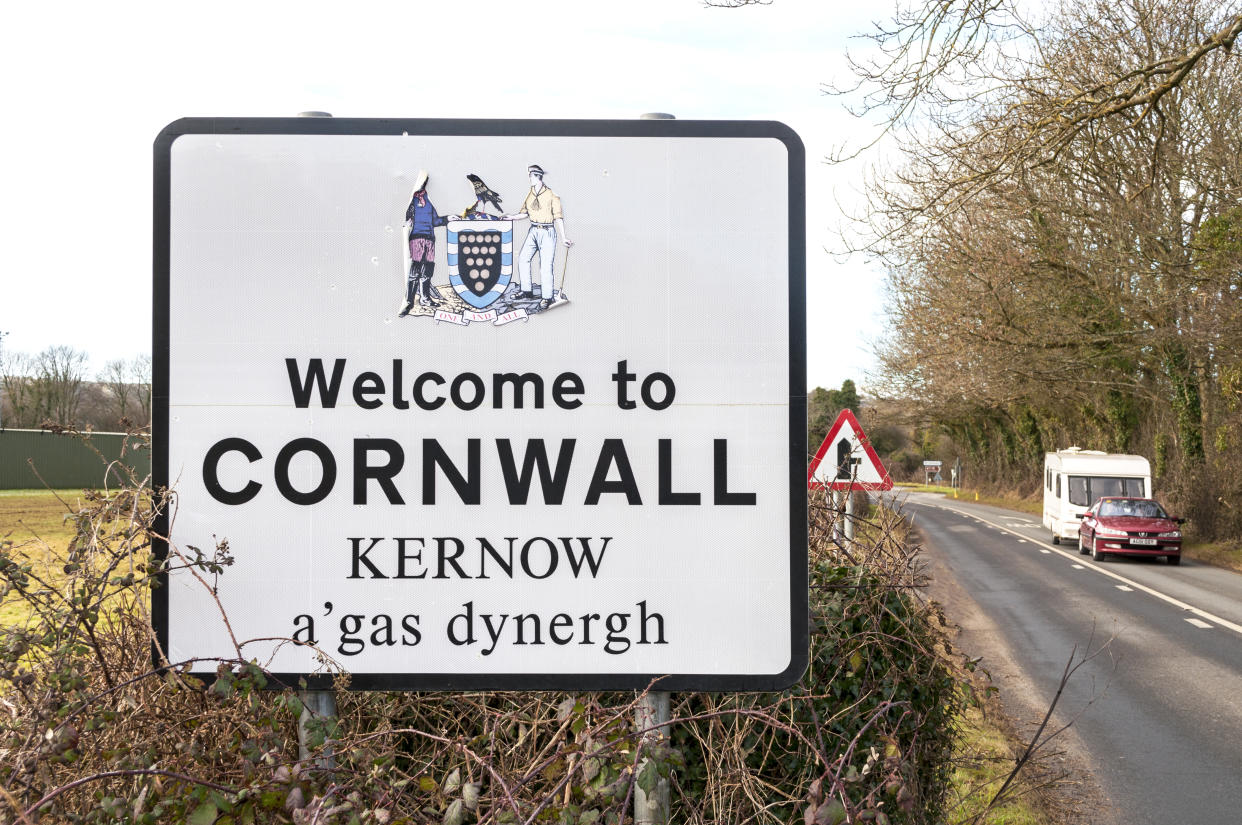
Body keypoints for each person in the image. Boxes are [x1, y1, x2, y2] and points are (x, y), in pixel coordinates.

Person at [503, 164, 573, 306]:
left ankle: (547, 297)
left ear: (537, 176)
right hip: (533, 230)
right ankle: (526, 290)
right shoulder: (531, 193)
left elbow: (558, 217)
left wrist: (563, 237)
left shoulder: (552, 195)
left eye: (530, 175)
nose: (529, 178)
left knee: (546, 266)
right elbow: (524, 213)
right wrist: (511, 217)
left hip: (547, 232)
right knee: (523, 258)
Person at [400, 170, 448, 316]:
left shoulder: (429, 203)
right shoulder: (411, 202)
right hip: (417, 239)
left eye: (425, 184)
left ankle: (425, 298)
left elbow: (436, 221)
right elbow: (406, 221)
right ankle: (409, 301)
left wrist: (449, 219)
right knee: (415, 269)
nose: (423, 187)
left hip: (429, 240)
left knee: (427, 269)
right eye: (422, 184)